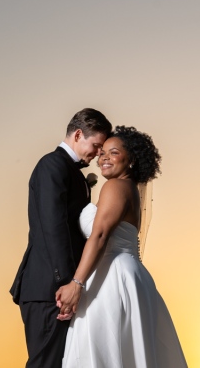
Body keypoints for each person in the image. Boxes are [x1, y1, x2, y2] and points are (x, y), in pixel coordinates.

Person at [56, 125, 187, 368]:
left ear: (131, 160)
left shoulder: (115, 187)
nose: (104, 157)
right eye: (102, 152)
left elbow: (100, 235)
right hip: (127, 275)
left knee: (100, 350)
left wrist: (76, 284)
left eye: (113, 152)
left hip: (112, 278)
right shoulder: (129, 189)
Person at [11, 108, 113, 368]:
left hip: (59, 287)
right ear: (78, 134)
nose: (98, 153)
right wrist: (68, 283)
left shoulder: (72, 172)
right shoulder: (52, 165)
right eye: (96, 145)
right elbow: (53, 228)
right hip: (50, 289)